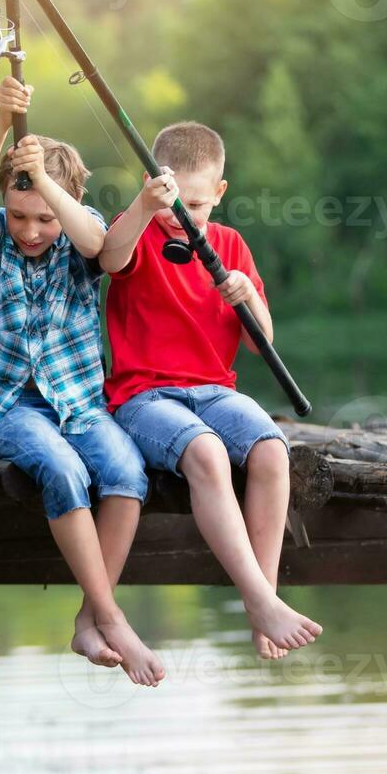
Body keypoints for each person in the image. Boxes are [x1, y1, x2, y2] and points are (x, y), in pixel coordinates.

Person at [0, 76, 163, 686]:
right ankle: (110, 615)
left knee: (127, 471)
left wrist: (46, 185)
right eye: (20, 214)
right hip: (6, 408)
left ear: (65, 202)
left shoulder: (79, 237)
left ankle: (85, 619)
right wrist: (1, 123)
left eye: (43, 217)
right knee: (65, 470)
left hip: (78, 403)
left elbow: (100, 243)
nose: (29, 230)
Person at [100, 121, 322, 660]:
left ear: (219, 194)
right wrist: (144, 205)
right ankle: (260, 600)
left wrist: (247, 296)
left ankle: (262, 599)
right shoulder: (139, 232)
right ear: (157, 188)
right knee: (207, 453)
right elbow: (109, 258)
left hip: (215, 391)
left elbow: (258, 342)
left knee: (272, 450)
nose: (185, 219)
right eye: (177, 204)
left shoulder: (228, 244)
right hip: (144, 397)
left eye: (197, 206)